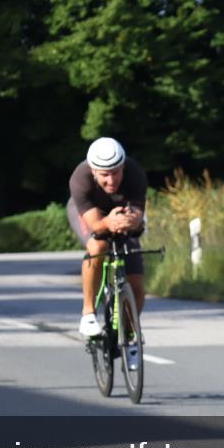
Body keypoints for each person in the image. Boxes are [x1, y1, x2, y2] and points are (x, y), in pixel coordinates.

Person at [67, 138, 148, 366]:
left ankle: (131, 336)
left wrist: (132, 221)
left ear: (123, 167)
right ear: (94, 171)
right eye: (104, 175)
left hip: (120, 215)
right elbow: (95, 225)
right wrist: (108, 223)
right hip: (91, 214)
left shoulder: (135, 174)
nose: (111, 180)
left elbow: (138, 216)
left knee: (137, 283)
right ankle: (88, 314)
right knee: (98, 245)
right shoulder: (80, 178)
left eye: (116, 173)